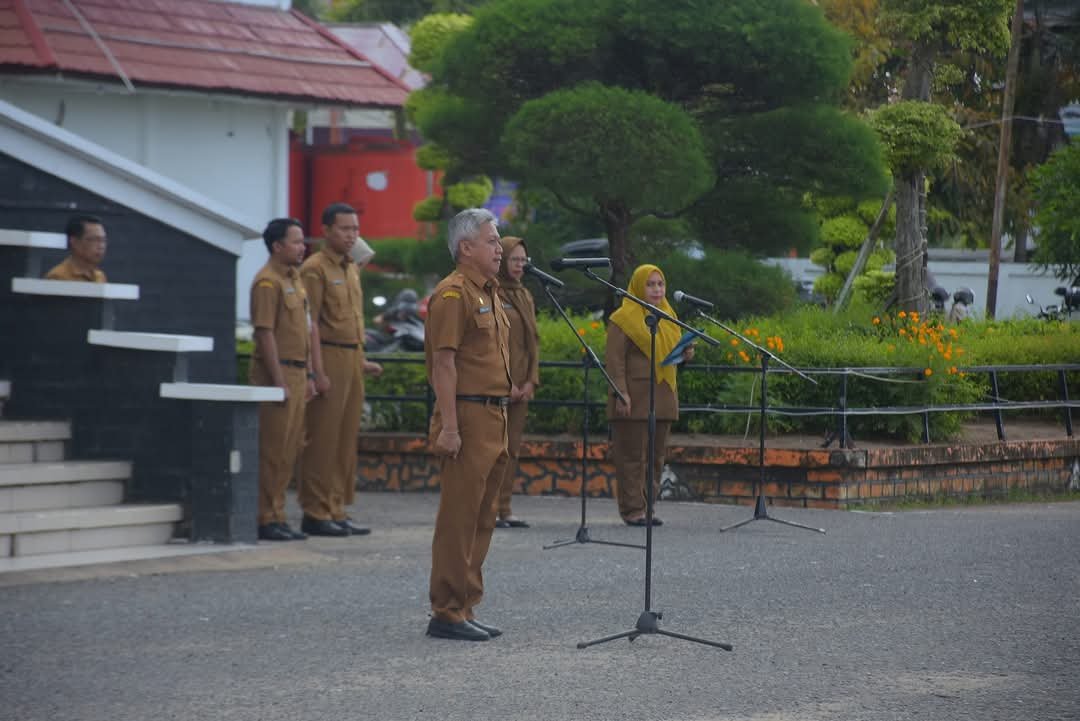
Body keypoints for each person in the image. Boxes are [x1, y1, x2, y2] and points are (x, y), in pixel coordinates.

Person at [424, 208, 512, 642]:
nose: (500, 248)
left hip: (495, 415)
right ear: (466, 247)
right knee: (459, 518)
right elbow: (443, 363)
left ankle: (465, 605)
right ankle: (445, 610)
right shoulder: (453, 294)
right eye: (492, 240)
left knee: (483, 517)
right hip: (469, 417)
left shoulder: (490, 292)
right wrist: (451, 427)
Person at [299, 203, 383, 537]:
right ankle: (315, 511)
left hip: (351, 358)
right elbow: (310, 325)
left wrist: (361, 359)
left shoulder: (350, 268)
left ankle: (335, 507)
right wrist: (315, 372)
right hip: (328, 357)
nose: (352, 235)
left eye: (356, 229)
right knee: (323, 438)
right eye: (345, 229)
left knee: (345, 440)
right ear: (326, 231)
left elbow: (353, 320)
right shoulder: (315, 269)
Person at [606, 264, 694, 526]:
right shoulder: (623, 318)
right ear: (638, 286)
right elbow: (614, 360)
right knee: (632, 456)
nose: (657, 289)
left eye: (660, 284)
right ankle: (632, 509)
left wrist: (686, 355)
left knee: (656, 456)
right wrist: (620, 392)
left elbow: (669, 356)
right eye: (651, 284)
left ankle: (647, 506)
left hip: (663, 395)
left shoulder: (668, 315)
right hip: (633, 396)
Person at [250, 218, 315, 542]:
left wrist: (311, 374)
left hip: (298, 371)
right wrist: (279, 381)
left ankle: (277, 514)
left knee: (290, 449)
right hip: (278, 373)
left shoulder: (295, 280)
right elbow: (265, 333)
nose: (302, 247)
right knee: (272, 449)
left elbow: (304, 329)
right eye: (296, 241)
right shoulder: (267, 282)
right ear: (277, 246)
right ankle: (265, 516)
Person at [493, 237, 540, 529]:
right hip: (498, 386)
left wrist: (531, 380)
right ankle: (490, 508)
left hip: (522, 387)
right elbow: (494, 343)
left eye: (524, 260)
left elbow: (533, 342)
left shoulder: (525, 295)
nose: (520, 265)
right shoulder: (493, 293)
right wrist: (505, 381)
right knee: (493, 450)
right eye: (515, 260)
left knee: (512, 449)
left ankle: (505, 508)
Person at [45, 214, 108, 282]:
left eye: (103, 240)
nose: (101, 246)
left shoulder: (100, 276)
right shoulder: (58, 277)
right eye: (94, 239)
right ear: (74, 242)